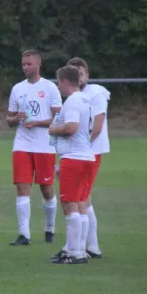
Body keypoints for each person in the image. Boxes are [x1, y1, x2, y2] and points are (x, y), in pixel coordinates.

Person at [6, 49, 62, 246]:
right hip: (22, 144)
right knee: (22, 186)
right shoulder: (17, 89)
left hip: (44, 146)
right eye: (23, 64)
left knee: (47, 189)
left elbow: (58, 118)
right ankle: (24, 235)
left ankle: (50, 228)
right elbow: (8, 120)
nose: (25, 67)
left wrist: (37, 123)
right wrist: (16, 119)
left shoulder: (50, 88)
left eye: (28, 64)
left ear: (38, 64)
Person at [48, 65, 95, 265]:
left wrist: (54, 129)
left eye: (59, 82)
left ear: (66, 81)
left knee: (69, 205)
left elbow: (72, 127)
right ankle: (79, 251)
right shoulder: (86, 100)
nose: (58, 86)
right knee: (81, 205)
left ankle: (75, 253)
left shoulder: (73, 101)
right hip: (87, 158)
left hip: (74, 158)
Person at [66, 57, 110, 259]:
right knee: (84, 198)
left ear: (87, 75)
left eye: (80, 72)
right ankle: (90, 246)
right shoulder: (74, 96)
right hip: (81, 154)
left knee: (80, 199)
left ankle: (81, 247)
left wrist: (80, 148)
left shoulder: (96, 93)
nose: (78, 76)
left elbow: (97, 126)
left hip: (89, 153)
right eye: (74, 72)